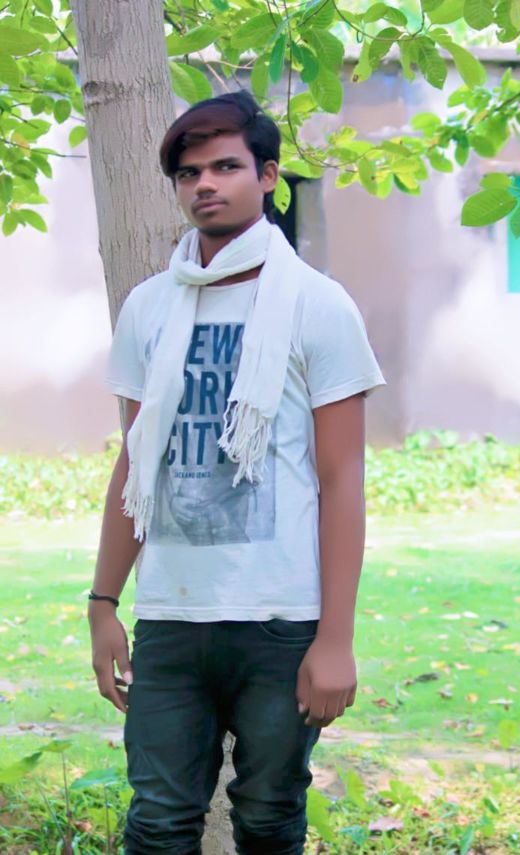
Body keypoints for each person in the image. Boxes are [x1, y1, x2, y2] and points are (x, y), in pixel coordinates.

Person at [87, 89, 386, 855]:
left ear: (268, 175)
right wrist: (103, 602)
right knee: (157, 821)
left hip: (280, 621)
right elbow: (136, 463)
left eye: (225, 167)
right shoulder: (148, 308)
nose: (205, 185)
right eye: (189, 174)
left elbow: (342, 479)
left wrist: (336, 639)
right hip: (171, 617)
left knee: (268, 815)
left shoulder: (319, 306)